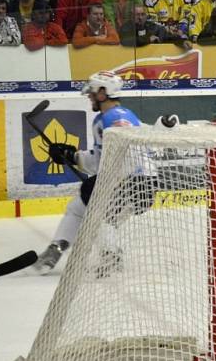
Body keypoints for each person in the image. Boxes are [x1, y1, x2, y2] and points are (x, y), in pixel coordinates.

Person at [33, 71, 140, 275]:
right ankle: (54, 250)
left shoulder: (113, 118)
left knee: (97, 209)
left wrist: (106, 182)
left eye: (92, 92)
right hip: (131, 180)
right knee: (78, 208)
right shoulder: (116, 116)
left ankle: (112, 257)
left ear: (103, 92)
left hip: (131, 180)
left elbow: (125, 154)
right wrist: (71, 155)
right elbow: (103, 158)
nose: (89, 96)